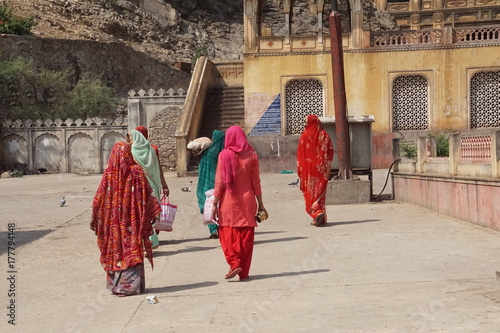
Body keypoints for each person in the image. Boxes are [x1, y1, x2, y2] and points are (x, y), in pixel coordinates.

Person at [90, 141, 161, 296]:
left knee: (116, 251)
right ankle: (131, 286)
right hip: (132, 224)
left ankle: (117, 287)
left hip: (113, 224)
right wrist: (151, 214)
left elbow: (98, 200)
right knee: (131, 250)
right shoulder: (136, 172)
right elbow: (148, 196)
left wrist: (97, 218)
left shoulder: (109, 174)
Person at [211, 126, 267, 281]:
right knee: (246, 237)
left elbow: (220, 182)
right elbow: (256, 182)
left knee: (226, 234)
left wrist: (215, 203)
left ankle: (234, 262)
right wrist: (261, 204)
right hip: (248, 202)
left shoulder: (224, 155)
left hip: (229, 203)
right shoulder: (252, 156)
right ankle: (243, 272)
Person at [129, 129, 169, 249]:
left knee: (143, 215)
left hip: (141, 188)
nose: (129, 141)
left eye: (130, 138)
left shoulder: (132, 152)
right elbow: (159, 169)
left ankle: (148, 242)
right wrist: (163, 185)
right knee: (148, 214)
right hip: (151, 187)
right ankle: (150, 240)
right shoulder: (152, 149)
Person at [297, 115, 334, 226]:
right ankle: (320, 219)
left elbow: (300, 157)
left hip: (308, 171)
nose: (304, 125)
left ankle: (317, 212)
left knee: (309, 193)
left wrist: (300, 170)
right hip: (321, 171)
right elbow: (331, 151)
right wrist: (325, 166)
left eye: (306, 122)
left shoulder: (304, 137)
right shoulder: (325, 136)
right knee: (320, 194)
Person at [196, 130, 225, 239]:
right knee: (219, 205)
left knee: (206, 204)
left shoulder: (207, 150)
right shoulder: (224, 152)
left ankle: (213, 230)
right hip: (218, 183)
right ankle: (220, 228)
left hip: (205, 183)